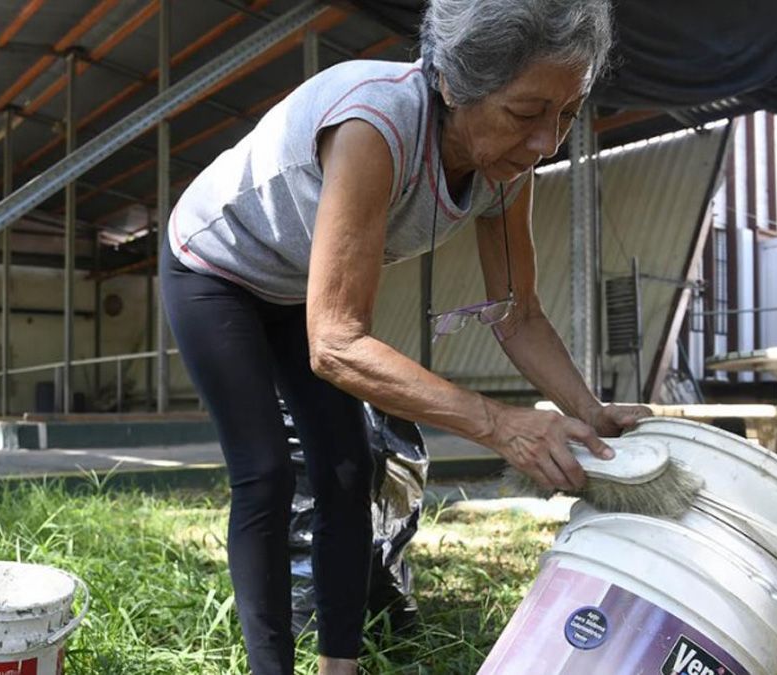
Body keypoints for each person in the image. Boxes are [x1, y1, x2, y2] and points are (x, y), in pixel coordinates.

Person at [160, 1, 650, 673]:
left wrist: (589, 412)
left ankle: (340, 663)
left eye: (566, 114)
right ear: (454, 84)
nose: (548, 143)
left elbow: (517, 312)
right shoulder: (374, 125)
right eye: (527, 113)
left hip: (296, 284)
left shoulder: (505, 169)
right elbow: (336, 342)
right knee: (266, 472)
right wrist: (502, 425)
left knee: (350, 465)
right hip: (216, 266)